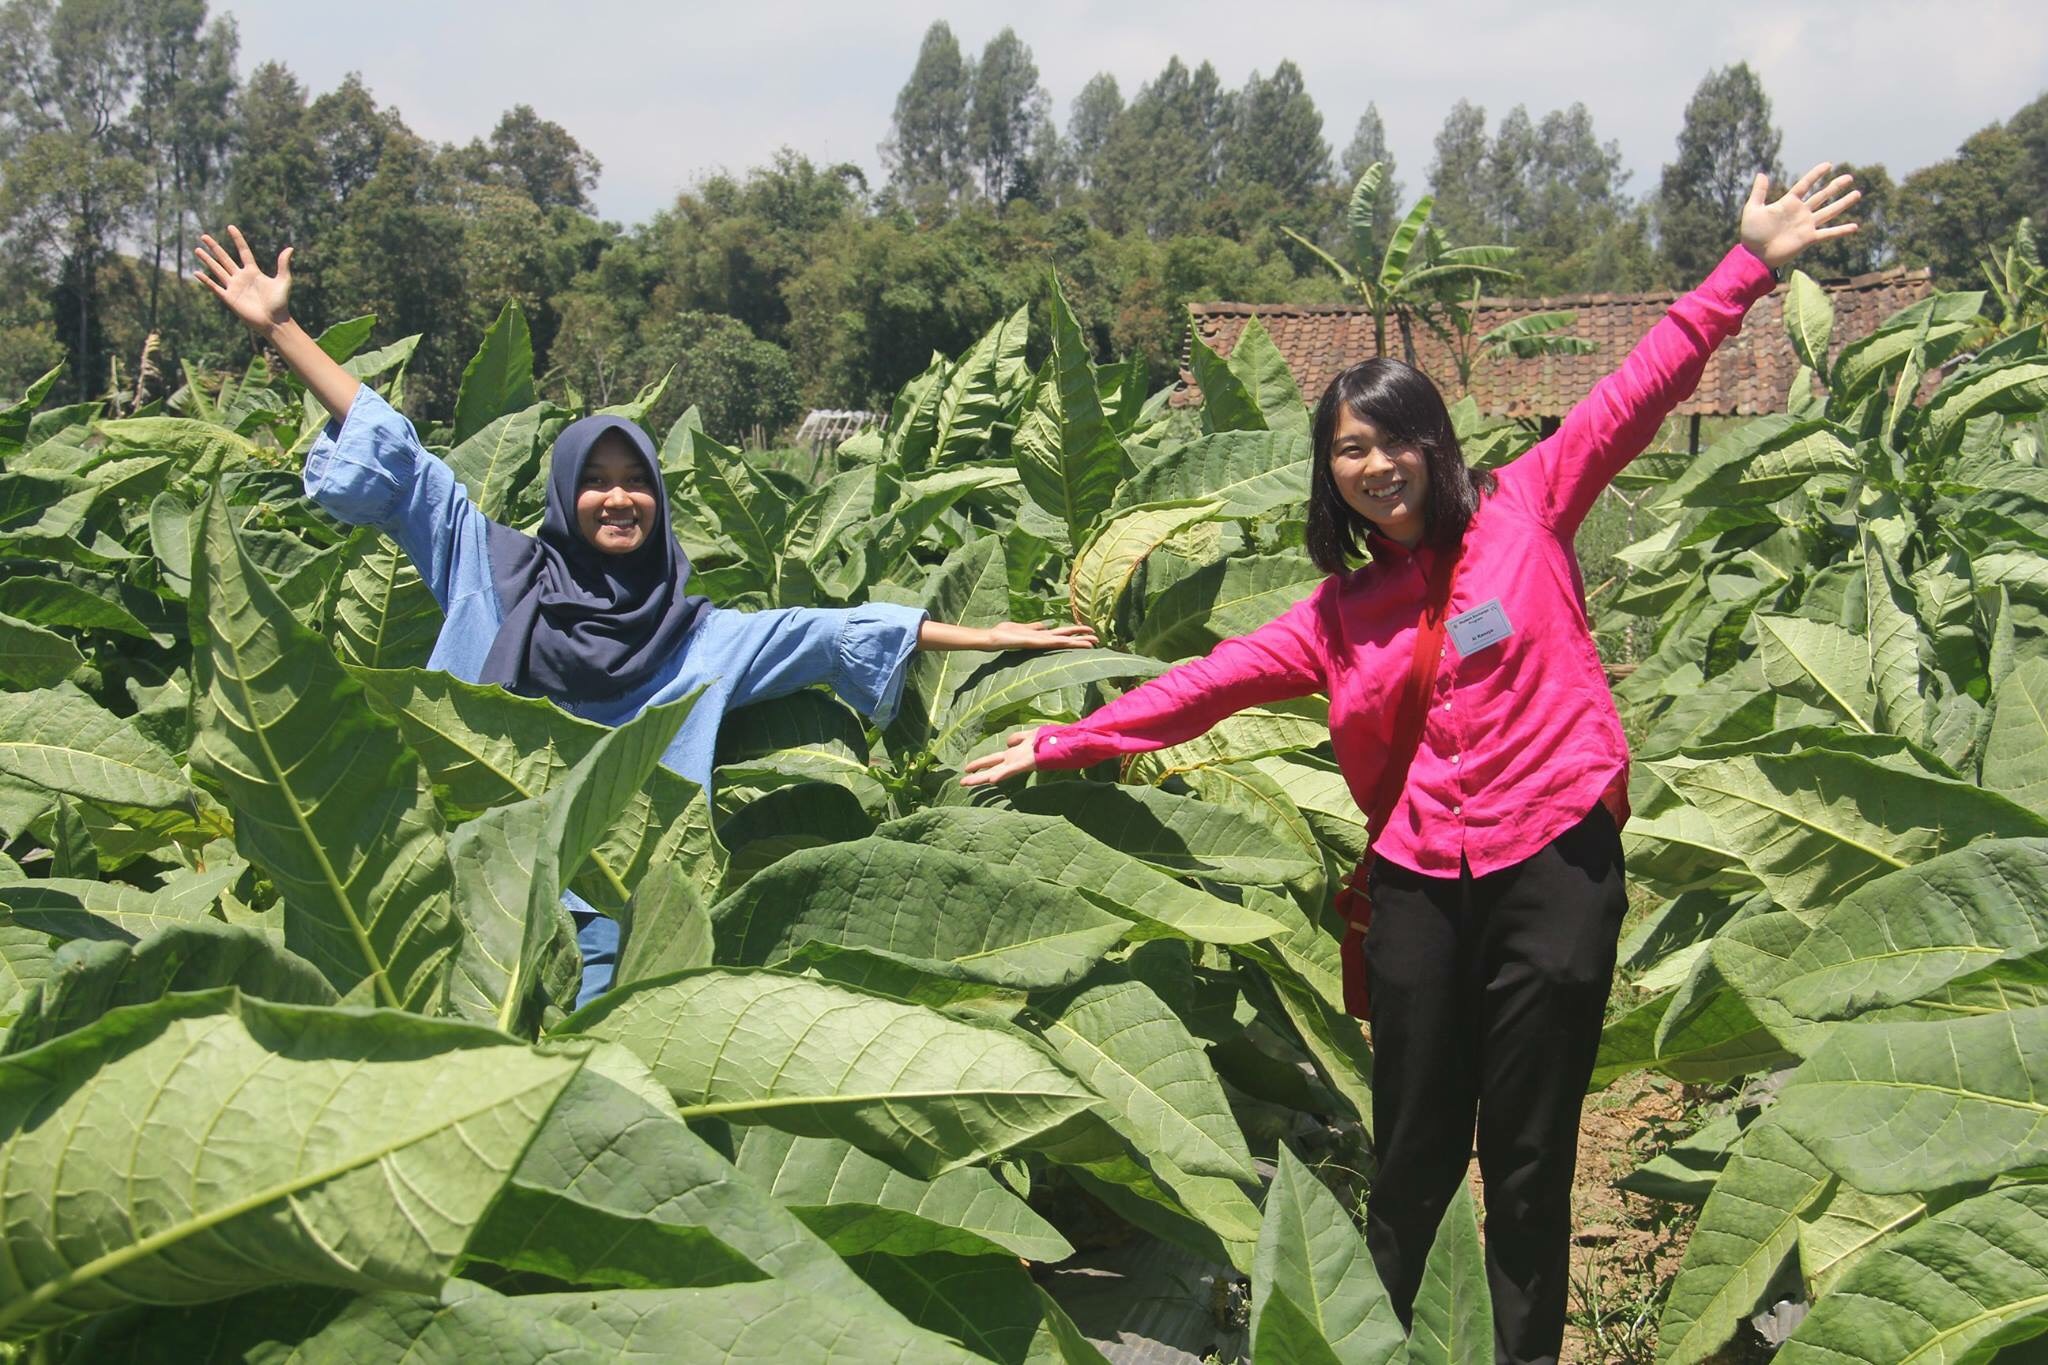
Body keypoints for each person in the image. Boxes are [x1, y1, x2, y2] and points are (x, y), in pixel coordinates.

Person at [965, 165, 1859, 1364]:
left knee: (1532, 1156)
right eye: (1346, 450)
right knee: (1411, 1155)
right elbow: (1207, 683)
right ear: (1327, 474)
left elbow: (1645, 383)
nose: (1373, 465)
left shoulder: (1529, 508)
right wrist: (1067, 736)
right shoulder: (1337, 617)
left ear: (1431, 443)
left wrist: (1748, 262)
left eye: (1390, 439)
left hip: (1553, 861)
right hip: (1419, 889)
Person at [194, 224, 1095, 1006]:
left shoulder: (700, 636)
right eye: (595, 481)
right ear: (564, 494)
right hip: (472, 899)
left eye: (636, 485)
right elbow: (404, 463)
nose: (617, 500)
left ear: (659, 501)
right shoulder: (491, 570)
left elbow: (832, 634)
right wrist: (281, 329)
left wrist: (990, 635)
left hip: (610, 926)